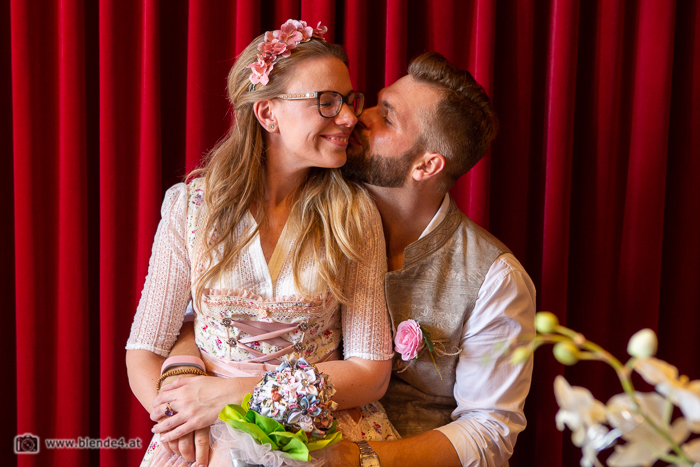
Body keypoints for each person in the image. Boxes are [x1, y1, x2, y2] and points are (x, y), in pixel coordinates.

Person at [125, 20, 398, 467]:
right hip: (204, 431)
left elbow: (371, 373)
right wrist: (178, 421)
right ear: (268, 114)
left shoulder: (354, 214)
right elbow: (145, 350)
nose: (350, 117)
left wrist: (238, 394)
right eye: (327, 102)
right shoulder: (191, 206)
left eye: (348, 100)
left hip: (319, 431)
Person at [331, 52, 536, 467]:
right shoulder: (311, 213)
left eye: (387, 118)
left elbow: (489, 431)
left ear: (426, 165)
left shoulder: (496, 278)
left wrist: (354, 459)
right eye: (375, 104)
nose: (356, 117)